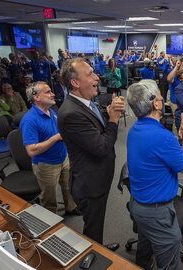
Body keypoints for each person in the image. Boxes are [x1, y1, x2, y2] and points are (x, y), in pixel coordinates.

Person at [126, 79, 183, 270]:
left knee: (146, 245)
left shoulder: (135, 130)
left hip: (138, 205)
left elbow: (160, 154)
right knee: (169, 265)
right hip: (157, 214)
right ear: (156, 103)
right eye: (160, 95)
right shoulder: (162, 137)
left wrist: (178, 140)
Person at [58, 58, 125, 244]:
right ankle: (93, 256)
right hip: (89, 185)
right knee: (93, 230)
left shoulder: (85, 103)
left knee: (97, 223)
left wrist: (107, 114)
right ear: (75, 83)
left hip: (97, 179)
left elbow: (95, 128)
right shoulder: (71, 113)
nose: (97, 76)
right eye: (90, 74)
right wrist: (113, 119)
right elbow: (102, 147)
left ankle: (98, 249)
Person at [20, 81, 78, 215]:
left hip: (63, 157)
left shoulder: (51, 111)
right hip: (46, 165)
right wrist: (56, 138)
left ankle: (70, 207)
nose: (52, 94)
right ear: (36, 97)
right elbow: (31, 150)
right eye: (48, 92)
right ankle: (52, 218)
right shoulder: (29, 120)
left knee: (68, 186)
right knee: (49, 197)